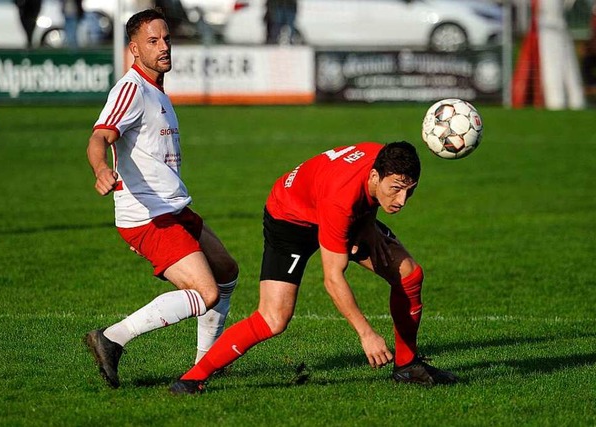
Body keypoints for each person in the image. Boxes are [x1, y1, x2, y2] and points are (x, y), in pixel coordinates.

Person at [170, 141, 459, 394]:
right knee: (273, 318)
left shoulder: (382, 159)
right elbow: (333, 278)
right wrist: (366, 334)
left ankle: (407, 366)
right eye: (395, 190)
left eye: (410, 191)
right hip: (290, 219)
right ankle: (192, 379)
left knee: (409, 274)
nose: (401, 201)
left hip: (333, 209)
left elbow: (361, 191)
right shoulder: (341, 200)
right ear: (375, 175)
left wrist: (368, 222)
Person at [84, 8, 238, 389]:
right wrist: (101, 169)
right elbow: (100, 136)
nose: (164, 46)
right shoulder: (131, 89)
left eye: (166, 38)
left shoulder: (156, 89)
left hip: (172, 207)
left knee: (227, 272)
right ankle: (112, 337)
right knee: (205, 293)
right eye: (153, 41)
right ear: (134, 49)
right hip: (146, 215)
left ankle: (205, 364)